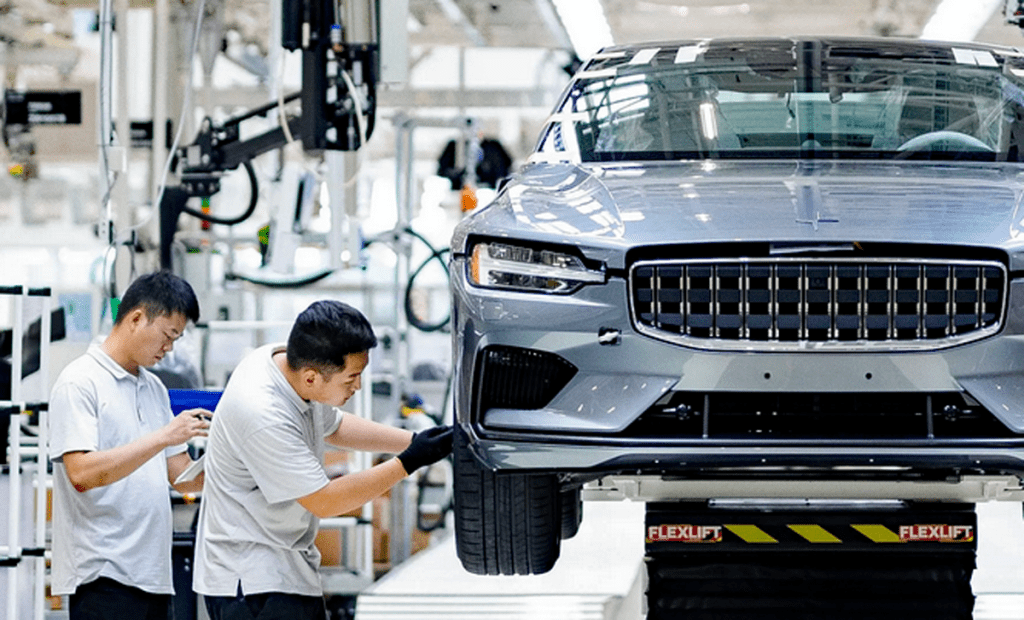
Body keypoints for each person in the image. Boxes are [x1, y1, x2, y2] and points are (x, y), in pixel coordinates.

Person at [194, 300, 452, 620]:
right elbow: (325, 501)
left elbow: (336, 425)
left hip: (283, 570)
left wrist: (417, 442)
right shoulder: (262, 411)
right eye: (351, 378)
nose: (358, 386)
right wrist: (408, 462)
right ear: (313, 378)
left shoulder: (284, 364)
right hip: (253, 583)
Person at [48, 270, 212, 620]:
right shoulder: (79, 382)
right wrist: (163, 436)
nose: (169, 349)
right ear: (137, 318)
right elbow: (81, 473)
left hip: (152, 575)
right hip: (102, 575)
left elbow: (181, 476)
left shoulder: (153, 389)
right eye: (167, 336)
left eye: (176, 339)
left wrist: (240, 470)